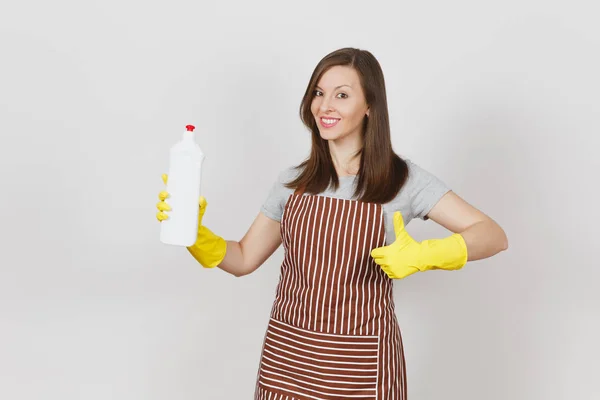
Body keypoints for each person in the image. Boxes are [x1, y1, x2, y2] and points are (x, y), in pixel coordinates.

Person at [155, 47, 508, 399]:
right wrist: (195, 236)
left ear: (370, 106)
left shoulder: (402, 180)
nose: (325, 106)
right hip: (287, 362)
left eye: (342, 95)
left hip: (361, 368)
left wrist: (428, 253)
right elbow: (244, 258)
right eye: (319, 93)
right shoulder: (293, 182)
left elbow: (492, 235)